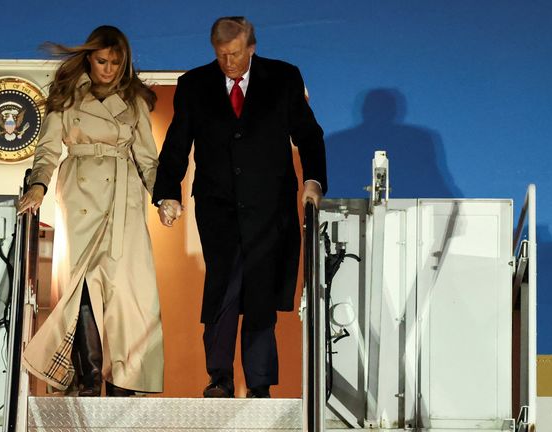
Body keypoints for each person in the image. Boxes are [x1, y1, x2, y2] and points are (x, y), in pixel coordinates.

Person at [152, 16, 327, 398]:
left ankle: (260, 384)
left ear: (251, 47)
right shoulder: (194, 85)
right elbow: (176, 145)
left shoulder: (283, 79)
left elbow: (309, 136)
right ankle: (220, 377)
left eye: (234, 54)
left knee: (260, 290)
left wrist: (313, 182)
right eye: (220, 55)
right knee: (224, 286)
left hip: (269, 207)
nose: (228, 62)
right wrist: (168, 193)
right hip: (218, 207)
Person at [17, 25, 163, 397]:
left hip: (123, 199)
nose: (109, 69)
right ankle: (86, 377)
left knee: (127, 293)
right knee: (80, 289)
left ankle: (123, 382)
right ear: (88, 58)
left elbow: (148, 158)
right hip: (80, 191)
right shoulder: (66, 95)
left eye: (116, 62)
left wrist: (164, 197)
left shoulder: (133, 101)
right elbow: (48, 149)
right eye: (102, 60)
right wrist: (38, 185)